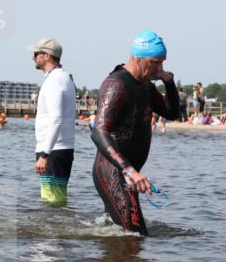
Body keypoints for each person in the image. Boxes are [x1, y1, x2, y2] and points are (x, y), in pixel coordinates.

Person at [89, 30, 179, 236]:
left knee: (125, 238)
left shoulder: (145, 86)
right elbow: (99, 132)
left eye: (162, 62)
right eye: (155, 62)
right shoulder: (116, 85)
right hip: (114, 172)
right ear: (137, 58)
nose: (160, 68)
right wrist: (128, 170)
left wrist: (169, 82)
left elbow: (171, 113)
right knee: (135, 238)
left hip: (129, 174)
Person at [27, 38, 76, 207]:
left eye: (36, 53)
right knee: (56, 201)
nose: (33, 57)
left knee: (52, 203)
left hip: (54, 151)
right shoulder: (63, 77)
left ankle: (55, 234)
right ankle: (56, 232)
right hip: (59, 149)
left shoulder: (55, 80)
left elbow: (56, 118)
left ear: (47, 56)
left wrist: (44, 154)